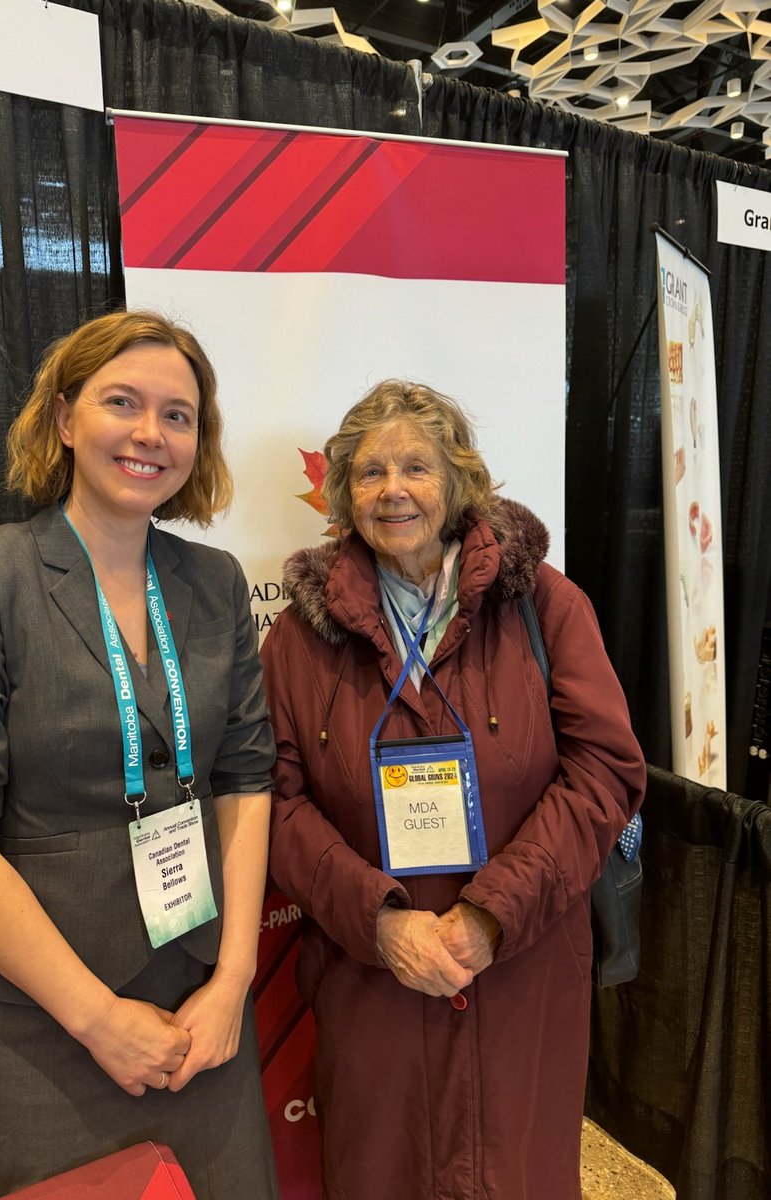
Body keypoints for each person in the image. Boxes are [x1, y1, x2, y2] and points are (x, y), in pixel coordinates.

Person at [0, 311, 279, 1200]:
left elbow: (245, 782)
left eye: (178, 415)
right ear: (64, 420)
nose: (151, 433)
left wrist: (235, 980)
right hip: (29, 1030)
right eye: (123, 403)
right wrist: (97, 1018)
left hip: (197, 1017)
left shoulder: (215, 584)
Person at [260, 380, 646, 1200]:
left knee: (517, 1172)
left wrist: (491, 913)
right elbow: (274, 801)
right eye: (368, 473)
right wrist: (380, 921)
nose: (392, 489)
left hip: (523, 973)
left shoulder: (545, 604)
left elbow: (607, 768)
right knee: (379, 1173)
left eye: (416, 467)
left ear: (459, 481)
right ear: (342, 493)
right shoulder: (299, 637)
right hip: (372, 983)